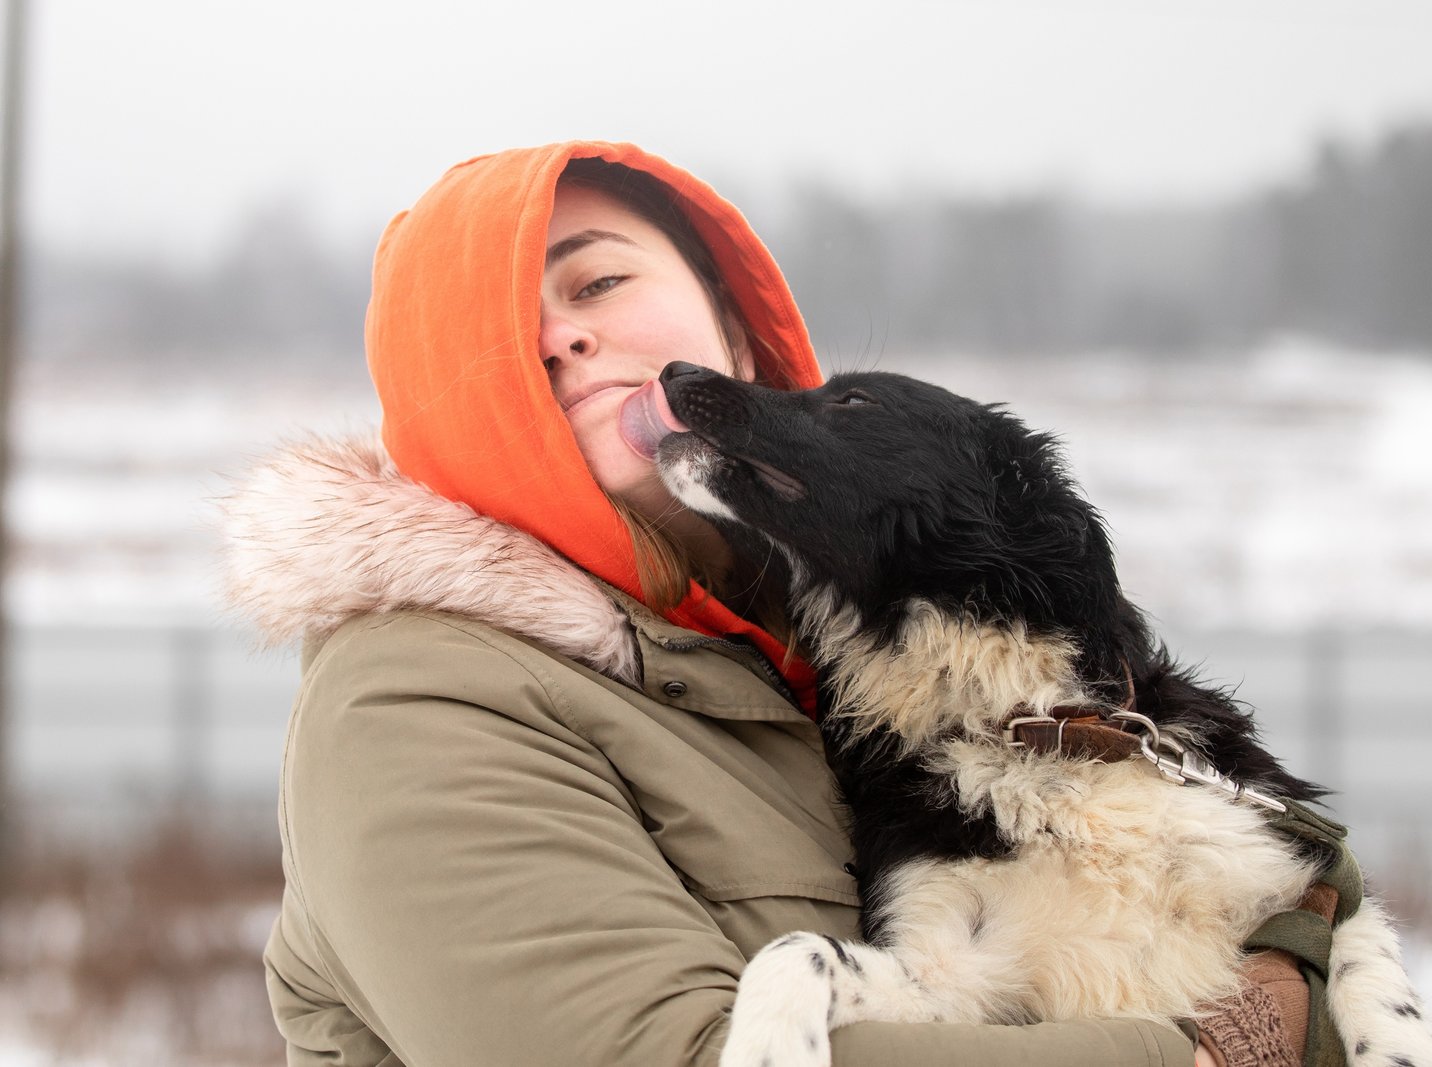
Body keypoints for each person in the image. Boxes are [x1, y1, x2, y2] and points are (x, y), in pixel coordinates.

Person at [222, 141, 1299, 1066]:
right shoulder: (415, 703)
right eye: (499, 336)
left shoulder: (870, 664)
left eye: (597, 282)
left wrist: (1299, 939)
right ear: (441, 424)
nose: (561, 337)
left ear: (736, 337)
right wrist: (1209, 1051)